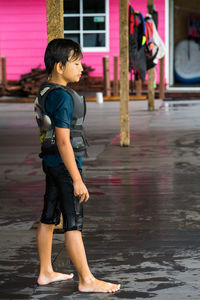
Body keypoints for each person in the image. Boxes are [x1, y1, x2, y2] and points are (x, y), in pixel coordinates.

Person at [35, 38, 120, 293]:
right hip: (64, 166)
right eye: (77, 63)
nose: (81, 68)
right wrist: (77, 179)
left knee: (49, 217)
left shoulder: (45, 90)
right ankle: (87, 279)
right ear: (60, 66)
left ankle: (45, 272)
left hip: (50, 163)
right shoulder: (62, 97)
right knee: (73, 221)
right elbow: (63, 141)